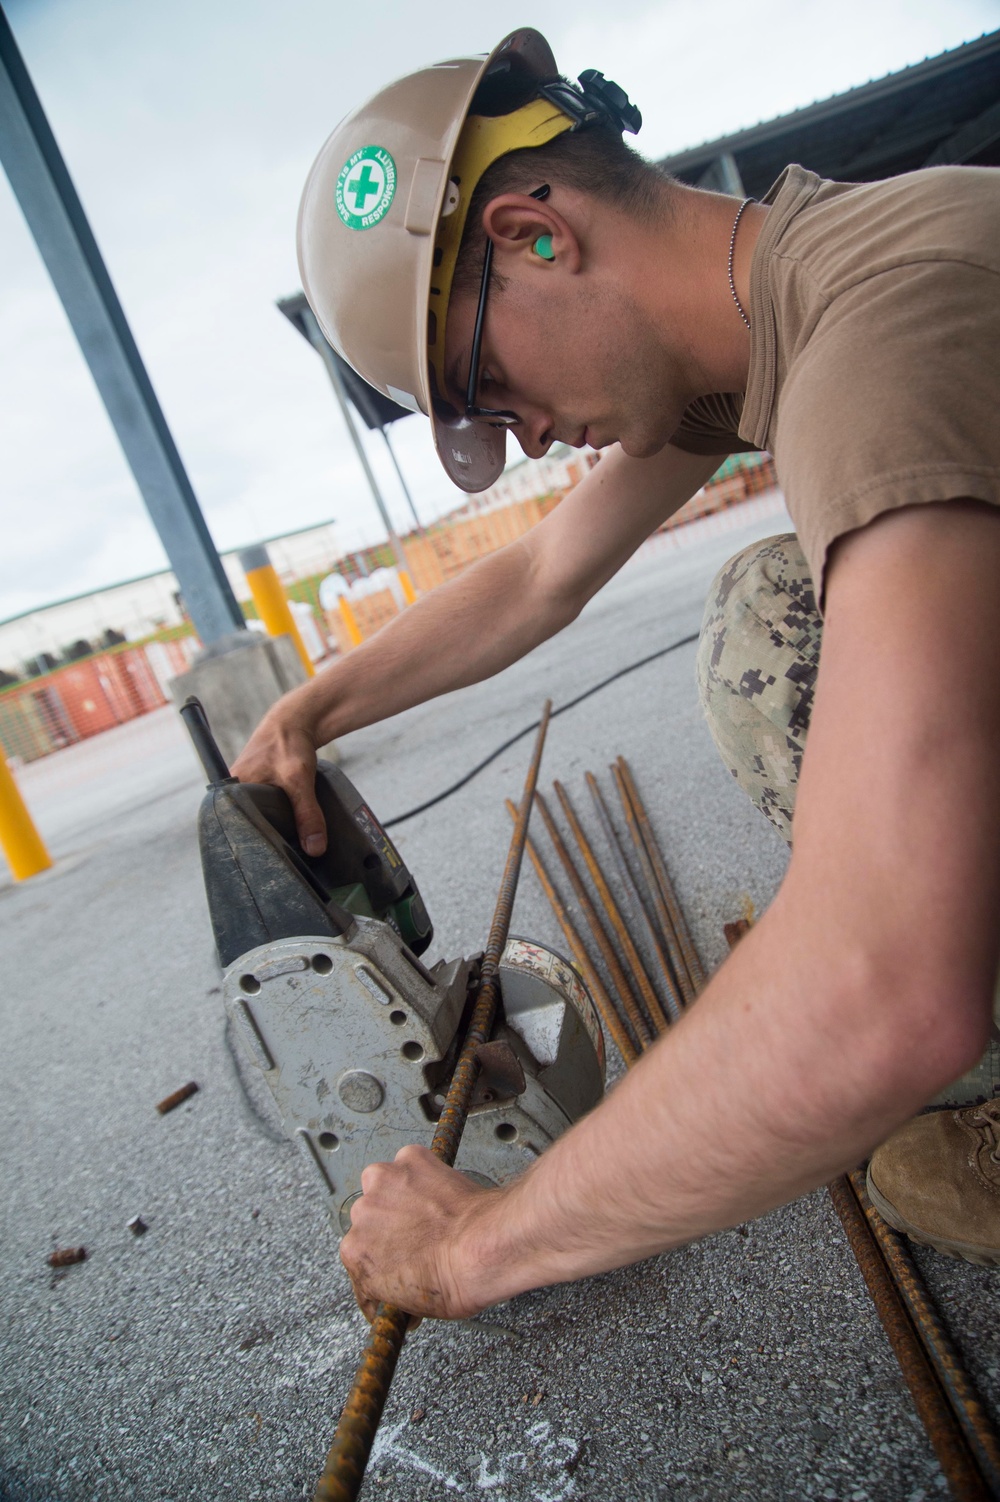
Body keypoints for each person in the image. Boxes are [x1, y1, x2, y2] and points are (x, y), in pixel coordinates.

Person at [233, 29, 1000, 1316]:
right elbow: (541, 574)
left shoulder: (882, 341)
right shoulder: (786, 306)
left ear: (539, 233)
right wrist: (312, 707)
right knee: (782, 602)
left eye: (486, 386)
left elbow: (883, 996)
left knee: (776, 637)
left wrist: (481, 1241)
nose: (520, 434)